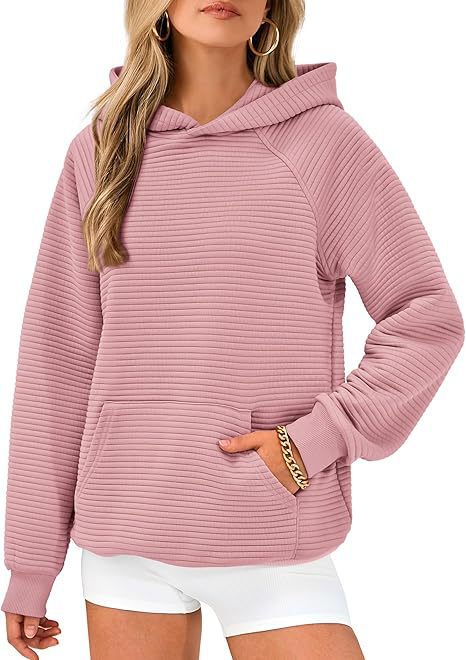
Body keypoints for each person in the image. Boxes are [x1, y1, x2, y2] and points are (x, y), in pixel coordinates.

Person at [2, 1, 464, 658]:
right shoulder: (103, 151)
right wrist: (31, 562)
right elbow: (57, 358)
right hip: (126, 537)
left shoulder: (323, 143)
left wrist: (317, 439)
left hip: (270, 531)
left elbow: (425, 317)